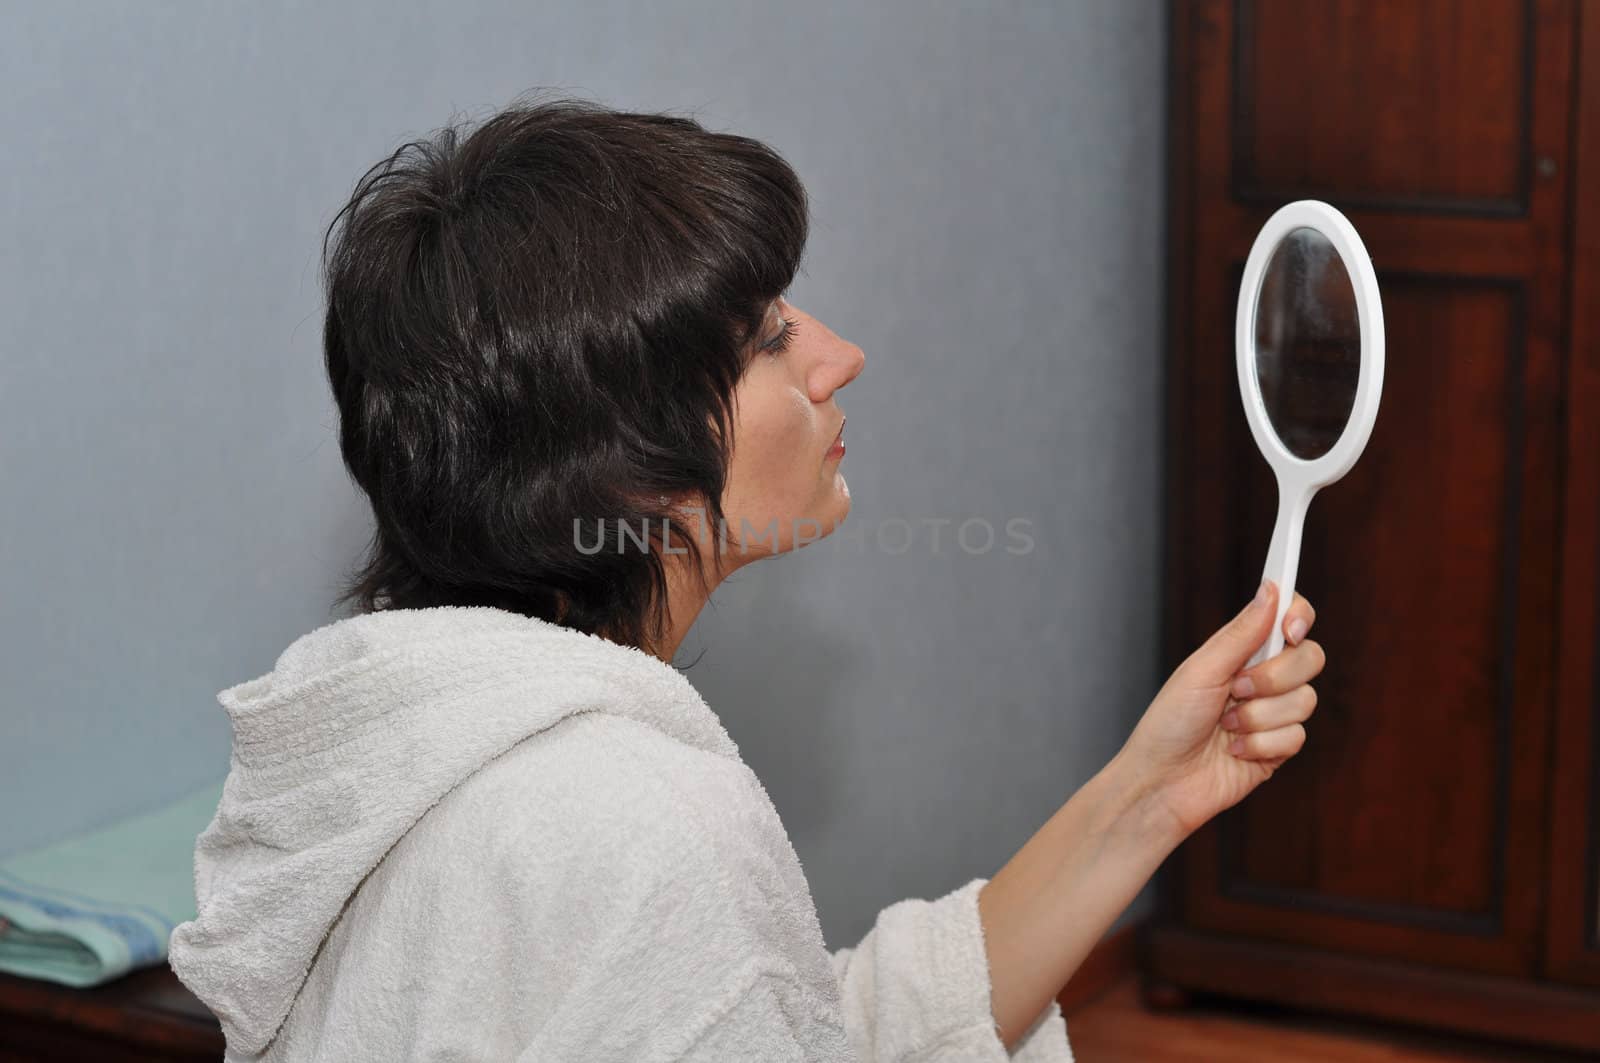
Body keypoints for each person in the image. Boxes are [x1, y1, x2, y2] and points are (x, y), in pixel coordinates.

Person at [169, 94, 1324, 1062]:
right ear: (619, 468)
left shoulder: (420, 749)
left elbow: (799, 1027)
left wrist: (1149, 796)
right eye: (769, 340)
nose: (839, 355)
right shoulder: (639, 818)